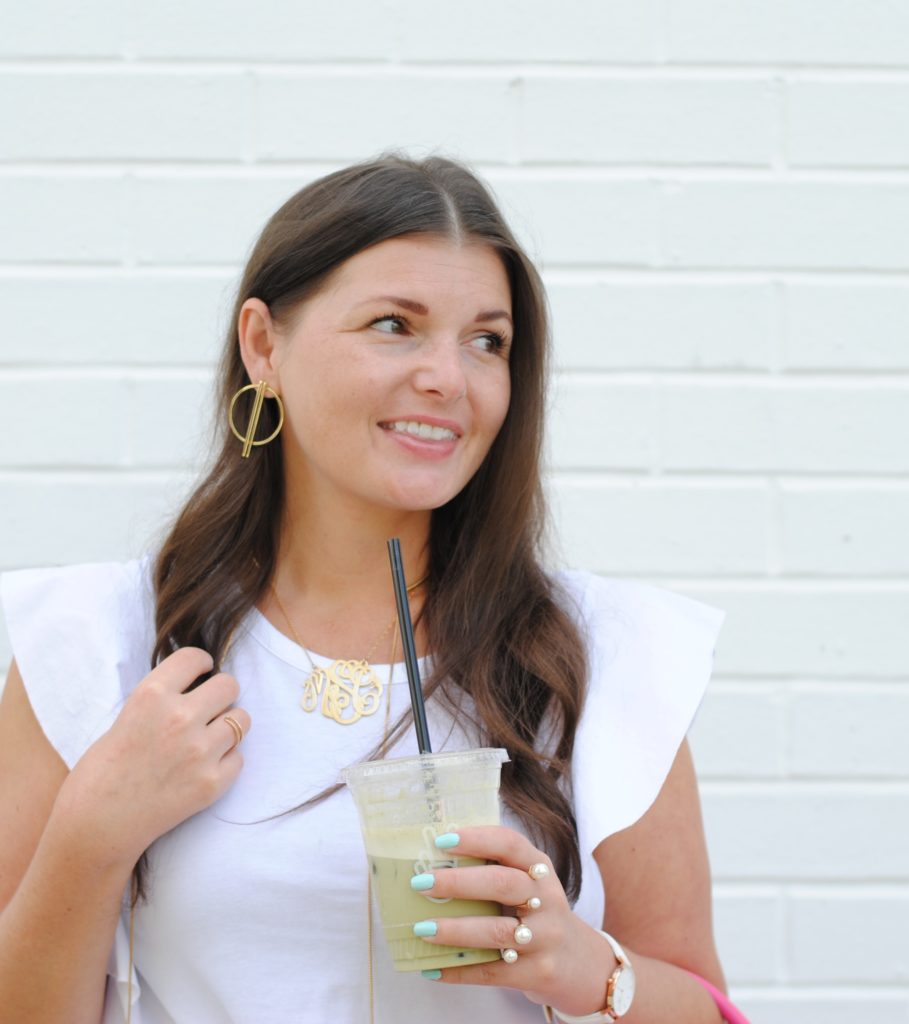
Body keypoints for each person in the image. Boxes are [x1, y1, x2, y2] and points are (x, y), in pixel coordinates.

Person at [0, 154, 740, 1023]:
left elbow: (705, 1007)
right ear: (262, 345)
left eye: (487, 341)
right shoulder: (98, 643)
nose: (448, 378)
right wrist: (90, 837)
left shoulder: (604, 656)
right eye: (394, 324)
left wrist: (585, 967)